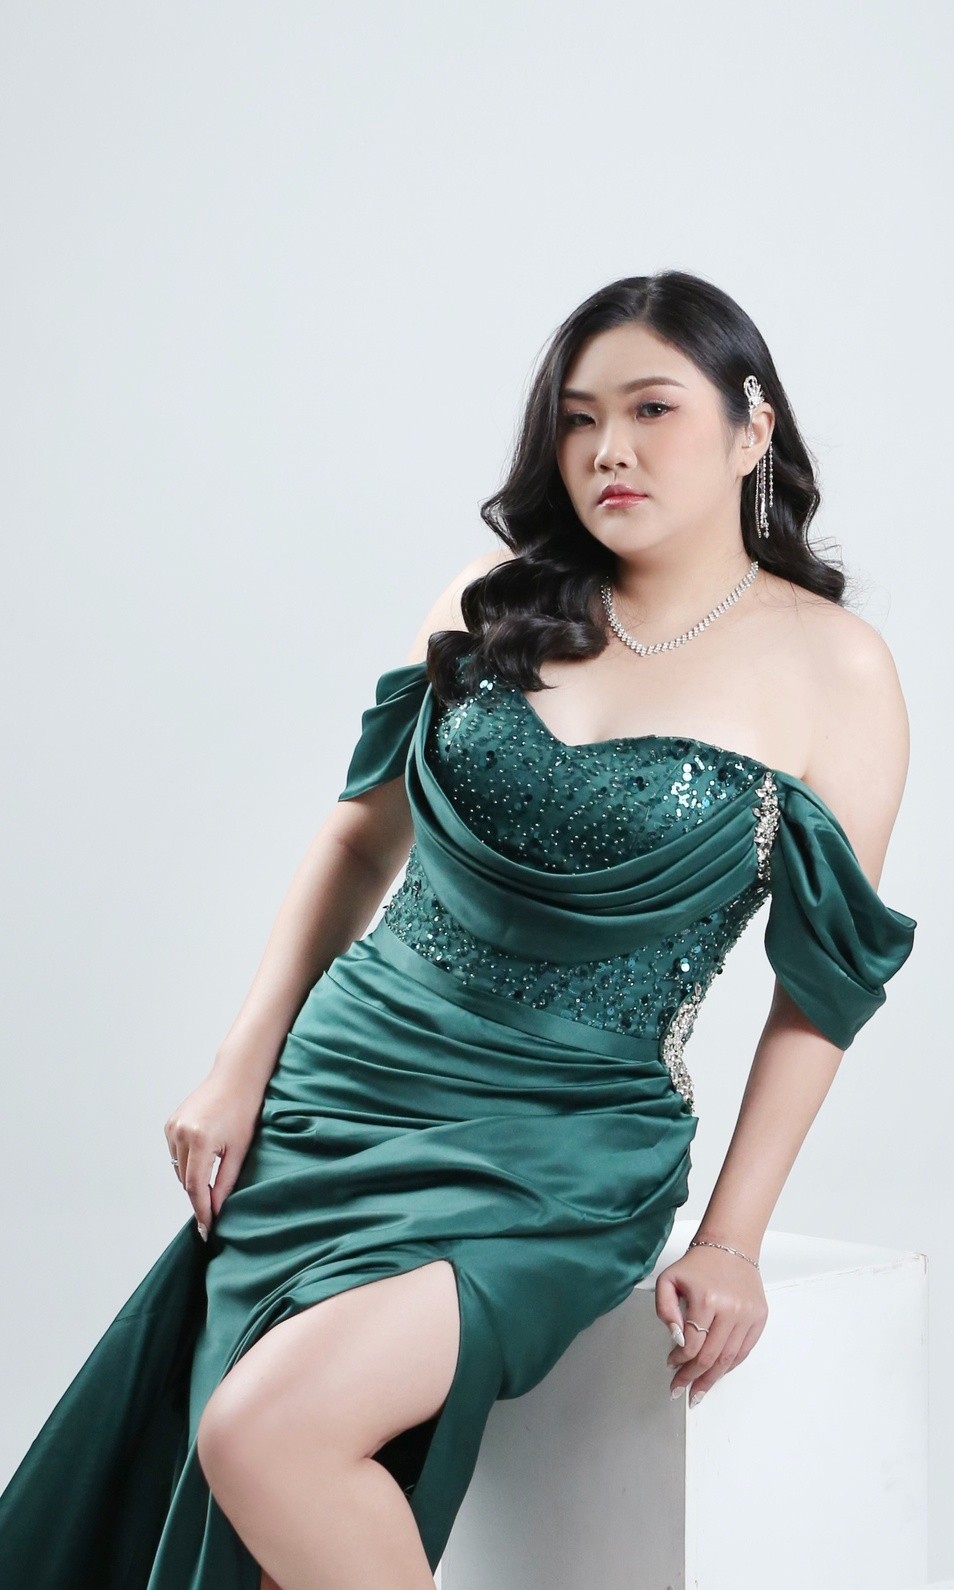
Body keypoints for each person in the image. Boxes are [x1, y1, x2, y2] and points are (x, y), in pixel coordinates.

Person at [0, 269, 917, 1590]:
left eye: (652, 408)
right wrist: (239, 1062)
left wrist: (730, 1238)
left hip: (564, 1148)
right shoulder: (491, 597)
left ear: (750, 426)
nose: (608, 448)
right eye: (578, 417)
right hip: (339, 1096)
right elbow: (356, 841)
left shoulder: (836, 670)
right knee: (248, 1477)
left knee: (264, 1431)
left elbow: (821, 991)